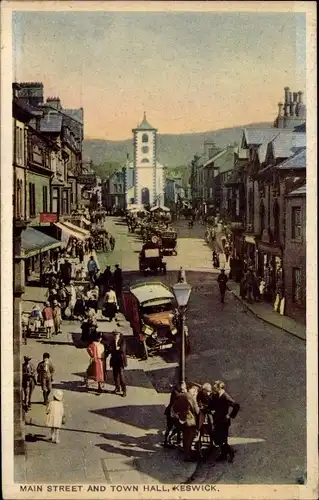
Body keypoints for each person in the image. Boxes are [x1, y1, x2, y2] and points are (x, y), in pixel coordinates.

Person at [209, 380, 240, 463]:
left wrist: (229, 416)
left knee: (222, 439)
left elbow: (236, 406)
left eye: (215, 388)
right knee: (218, 439)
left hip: (224, 422)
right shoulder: (215, 395)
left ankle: (229, 453)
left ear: (220, 388)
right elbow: (212, 405)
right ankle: (225, 453)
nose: (214, 389)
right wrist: (211, 410)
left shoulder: (226, 397)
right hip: (217, 420)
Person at [173, 385, 200, 461]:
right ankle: (187, 456)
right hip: (190, 421)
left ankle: (186, 453)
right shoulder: (191, 397)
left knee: (185, 437)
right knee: (190, 438)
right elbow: (197, 411)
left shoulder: (181, 395)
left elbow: (175, 407)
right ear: (194, 391)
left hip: (182, 421)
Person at [163, 382, 187, 448]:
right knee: (174, 427)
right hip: (172, 413)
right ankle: (167, 440)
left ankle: (168, 439)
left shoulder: (175, 392)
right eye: (184, 387)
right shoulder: (176, 393)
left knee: (173, 427)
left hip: (172, 413)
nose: (184, 389)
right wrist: (185, 393)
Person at [108, 330, 127, 397]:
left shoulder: (122, 341)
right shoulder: (112, 341)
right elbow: (109, 349)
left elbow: (122, 350)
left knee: (121, 376)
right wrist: (116, 349)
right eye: (114, 335)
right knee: (115, 376)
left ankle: (124, 390)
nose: (115, 336)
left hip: (120, 361)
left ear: (119, 335)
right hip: (114, 360)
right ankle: (117, 388)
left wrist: (115, 350)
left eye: (116, 335)